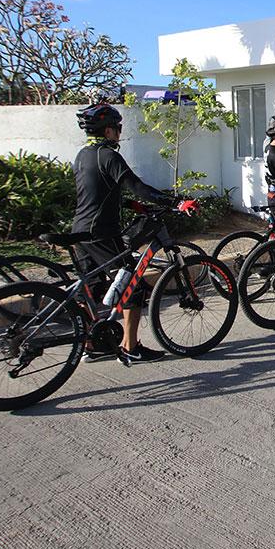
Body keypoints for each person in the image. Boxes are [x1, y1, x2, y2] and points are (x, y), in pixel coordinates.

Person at [73, 103, 184, 364]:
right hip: (102, 233)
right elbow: (135, 185)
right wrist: (175, 203)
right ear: (109, 130)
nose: (120, 133)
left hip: (80, 231)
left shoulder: (81, 155)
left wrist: (132, 205)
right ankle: (130, 346)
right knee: (132, 288)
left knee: (90, 291)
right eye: (118, 128)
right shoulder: (109, 156)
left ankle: (93, 345)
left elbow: (96, 193)